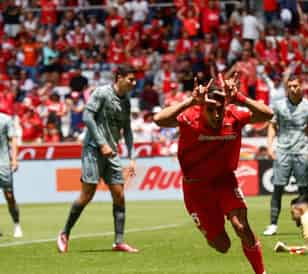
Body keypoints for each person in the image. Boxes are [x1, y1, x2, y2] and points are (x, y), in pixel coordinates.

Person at [153, 74, 273, 274]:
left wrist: (241, 98)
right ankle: (207, 227)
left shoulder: (233, 115)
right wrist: (191, 101)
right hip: (196, 188)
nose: (217, 115)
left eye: (220, 109)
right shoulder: (190, 116)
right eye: (211, 109)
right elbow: (159, 119)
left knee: (241, 226)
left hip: (224, 180)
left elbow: (267, 115)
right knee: (222, 245)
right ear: (202, 107)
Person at [57, 65, 138, 253]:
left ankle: (119, 241)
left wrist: (132, 157)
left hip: (112, 153)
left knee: (119, 194)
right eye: (131, 79)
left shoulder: (126, 101)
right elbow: (87, 117)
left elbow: (127, 130)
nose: (134, 83)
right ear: (119, 77)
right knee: (87, 194)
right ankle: (65, 232)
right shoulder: (101, 93)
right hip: (94, 150)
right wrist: (102, 143)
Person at [263, 74, 308, 236]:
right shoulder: (278, 106)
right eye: (290, 86)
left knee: (303, 189)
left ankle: (307, 223)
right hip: (282, 151)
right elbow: (272, 126)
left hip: (301, 151)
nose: (293, 89)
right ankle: (273, 224)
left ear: (301, 86)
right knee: (278, 187)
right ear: (286, 88)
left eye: (296, 86)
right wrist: (269, 146)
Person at [0, 112, 22, 238]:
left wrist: (14, 159)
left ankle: (17, 224)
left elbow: (13, 139)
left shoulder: (5, 119)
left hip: (3, 164)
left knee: (9, 196)